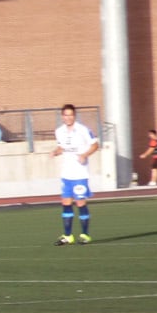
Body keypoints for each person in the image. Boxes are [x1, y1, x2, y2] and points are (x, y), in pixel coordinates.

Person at [51, 104, 99, 246]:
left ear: (74, 116)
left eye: (70, 115)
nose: (68, 117)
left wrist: (85, 154)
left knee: (80, 203)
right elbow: (62, 147)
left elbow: (95, 145)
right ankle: (67, 236)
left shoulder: (83, 130)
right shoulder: (59, 131)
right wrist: (55, 152)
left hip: (80, 174)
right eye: (65, 115)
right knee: (66, 203)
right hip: (66, 174)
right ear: (62, 116)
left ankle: (85, 235)